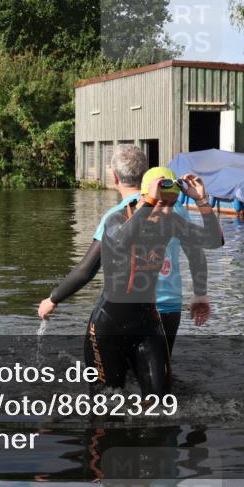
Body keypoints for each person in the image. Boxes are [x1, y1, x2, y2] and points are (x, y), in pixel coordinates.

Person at [41, 158, 222, 397]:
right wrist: (53, 298)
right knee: (106, 403)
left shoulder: (171, 222)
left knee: (161, 403)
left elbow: (214, 240)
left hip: (149, 324)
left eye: (172, 204)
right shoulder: (116, 219)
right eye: (161, 203)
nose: (167, 210)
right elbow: (121, 241)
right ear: (146, 197)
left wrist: (202, 201)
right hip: (108, 326)